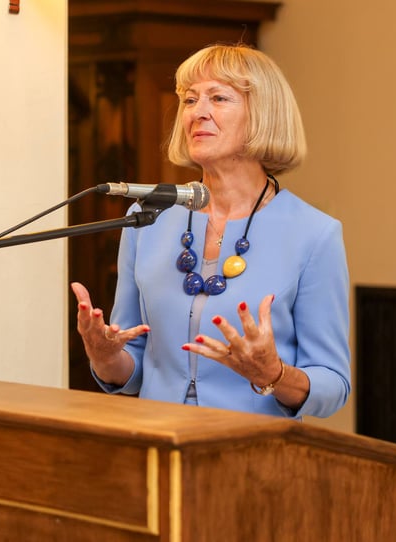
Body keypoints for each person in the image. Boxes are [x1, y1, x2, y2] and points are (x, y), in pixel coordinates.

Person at [71, 43, 350, 419]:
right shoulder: (147, 219)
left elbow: (333, 384)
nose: (197, 112)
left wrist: (274, 375)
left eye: (218, 98)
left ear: (262, 115)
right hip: (158, 439)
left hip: (253, 447)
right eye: (189, 100)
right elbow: (132, 366)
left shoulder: (314, 234)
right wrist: (104, 357)